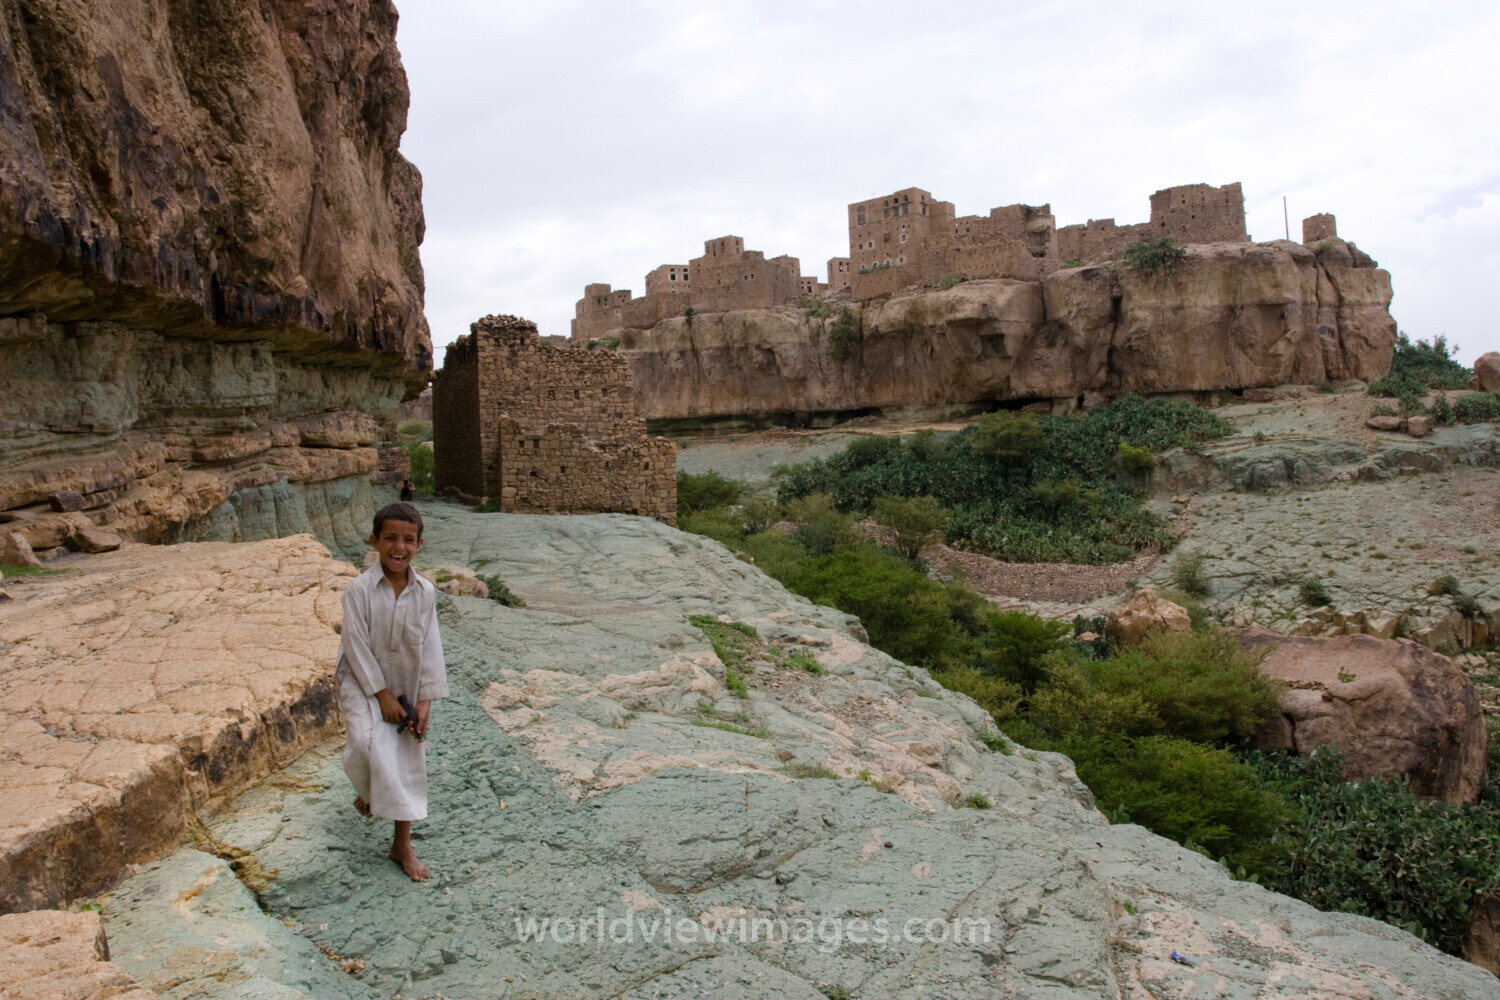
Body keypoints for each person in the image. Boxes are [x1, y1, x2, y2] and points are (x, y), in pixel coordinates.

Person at [336, 502, 447, 881]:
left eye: (408, 540)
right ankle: (372, 792)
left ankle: (402, 843)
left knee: (404, 758)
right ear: (375, 541)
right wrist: (380, 694)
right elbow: (354, 643)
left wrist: (425, 699)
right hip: (360, 680)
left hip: (407, 681)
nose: (399, 547)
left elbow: (430, 645)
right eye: (390, 539)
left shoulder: (425, 592)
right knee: (364, 743)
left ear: (419, 544)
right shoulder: (359, 590)